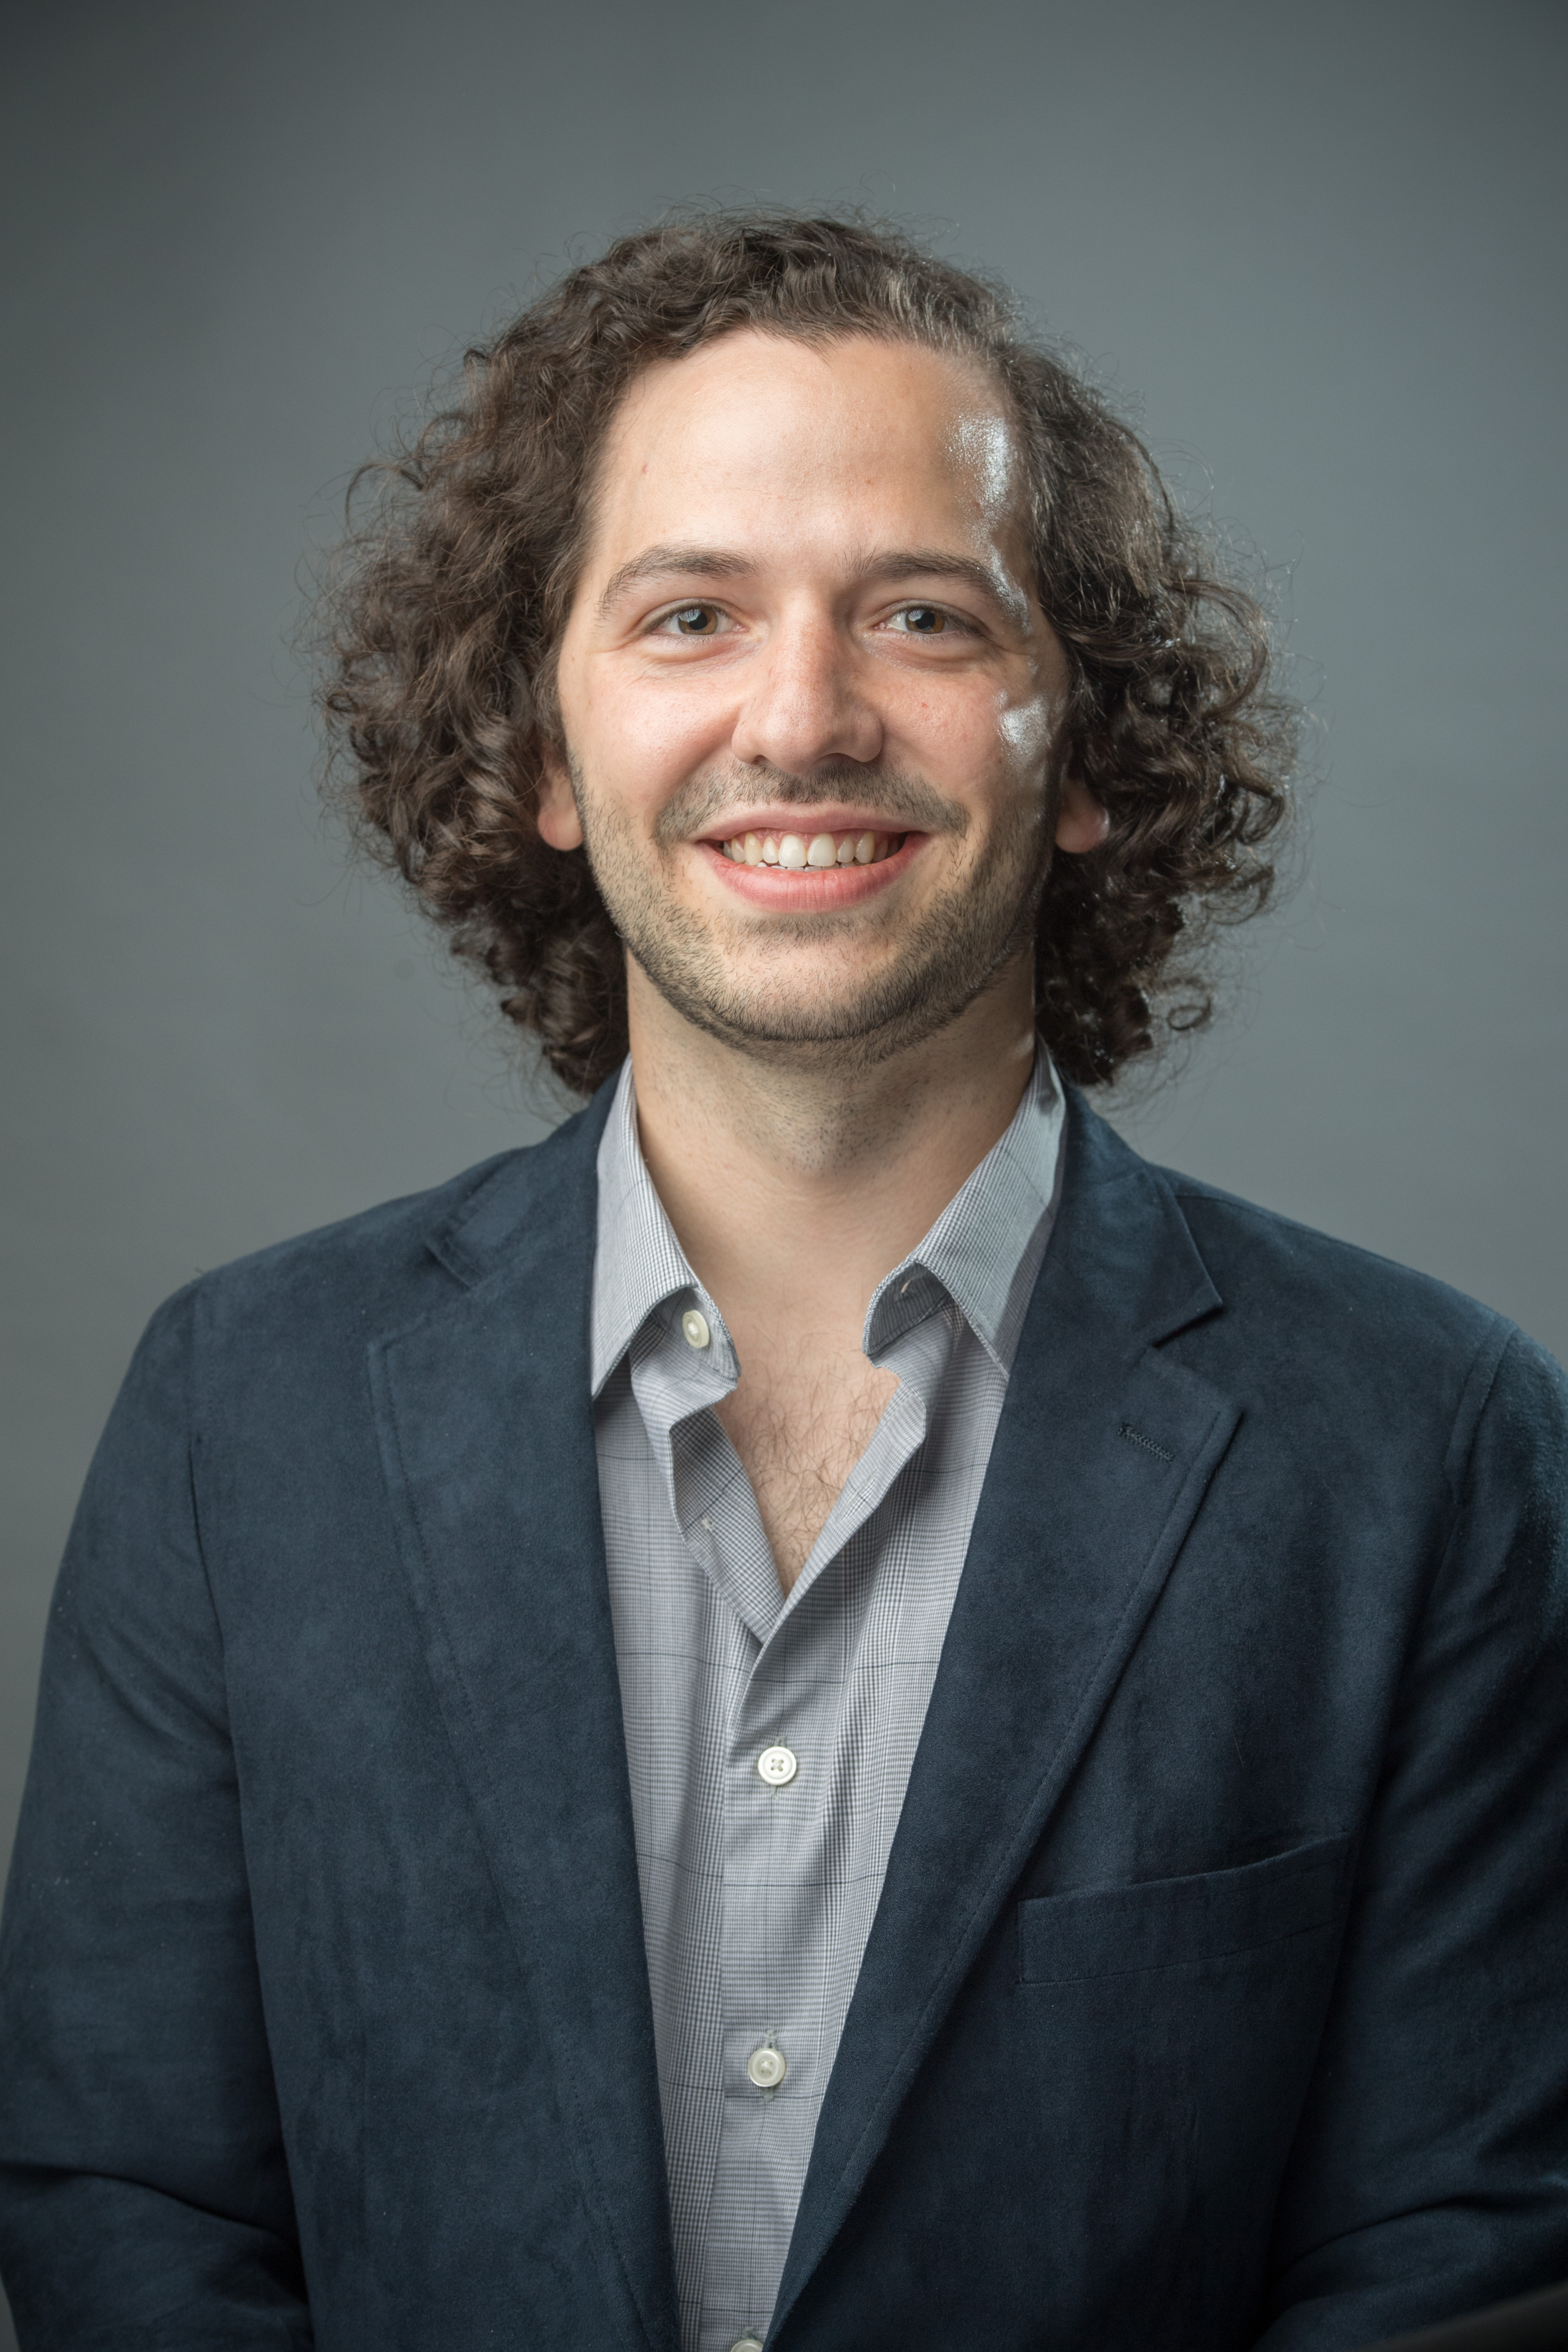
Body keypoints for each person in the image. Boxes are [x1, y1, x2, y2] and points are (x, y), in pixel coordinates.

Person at [0, 213, 1564, 2352]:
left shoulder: (1430, 1444)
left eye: (920, 613)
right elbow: (128, 2199)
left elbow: (1460, 2254)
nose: (803, 718)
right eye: (689, 615)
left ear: (1081, 746)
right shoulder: (233, 1411)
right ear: (543, 755)